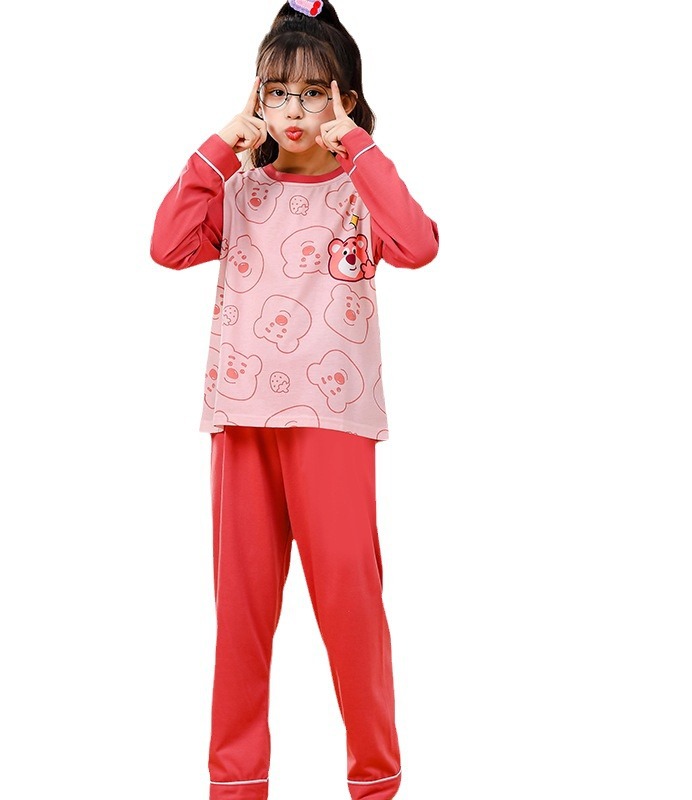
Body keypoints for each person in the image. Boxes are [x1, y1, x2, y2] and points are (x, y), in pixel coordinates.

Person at [149, 2, 438, 798]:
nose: (295, 109)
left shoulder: (361, 190)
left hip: (332, 424)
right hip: (241, 422)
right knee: (241, 617)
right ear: (258, 98)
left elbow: (419, 244)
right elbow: (167, 245)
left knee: (350, 605)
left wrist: (359, 147)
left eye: (314, 93)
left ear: (343, 99)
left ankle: (376, 779)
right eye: (277, 92)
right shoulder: (239, 190)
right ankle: (236, 784)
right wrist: (220, 145)